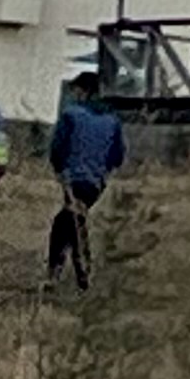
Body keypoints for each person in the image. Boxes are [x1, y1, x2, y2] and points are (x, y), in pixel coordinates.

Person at [43, 73, 127, 293]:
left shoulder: (72, 115)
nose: (74, 95)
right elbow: (118, 155)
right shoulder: (112, 120)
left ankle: (73, 274)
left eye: (76, 90)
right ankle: (76, 275)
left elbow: (58, 148)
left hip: (73, 178)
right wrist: (103, 172)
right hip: (96, 183)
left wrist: (59, 170)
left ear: (83, 91)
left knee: (68, 224)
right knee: (72, 221)